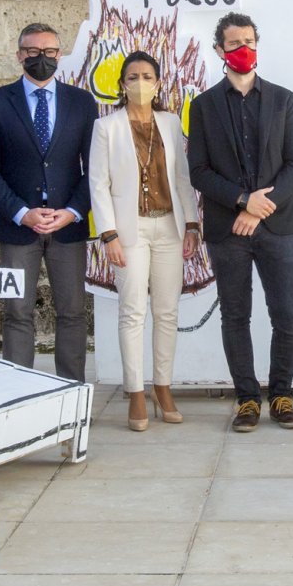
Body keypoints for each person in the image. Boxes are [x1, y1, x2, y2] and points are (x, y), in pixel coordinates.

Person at [187, 13, 293, 432]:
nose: (244, 49)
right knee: (235, 316)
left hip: (277, 227)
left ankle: (281, 395)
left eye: (250, 41)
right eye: (235, 43)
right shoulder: (202, 106)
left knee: (286, 314)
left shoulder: (283, 99)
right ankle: (246, 400)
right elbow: (198, 172)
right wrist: (242, 202)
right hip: (228, 229)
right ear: (219, 50)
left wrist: (260, 207)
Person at [0, 22, 97, 379]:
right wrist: (21, 212)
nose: (41, 58)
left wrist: (74, 211)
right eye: (32, 52)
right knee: (16, 312)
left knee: (73, 312)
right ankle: (19, 392)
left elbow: (95, 167)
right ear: (19, 56)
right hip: (18, 228)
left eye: (49, 52)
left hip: (67, 228)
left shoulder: (81, 101)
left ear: (60, 55)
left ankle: (72, 391)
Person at [91, 52, 200, 430]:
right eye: (133, 76)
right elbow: (99, 184)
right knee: (132, 311)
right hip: (129, 230)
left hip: (168, 228)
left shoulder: (170, 124)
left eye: (147, 76)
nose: (140, 83)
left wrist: (192, 224)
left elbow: (182, 177)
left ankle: (163, 388)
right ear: (122, 84)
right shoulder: (107, 128)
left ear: (158, 83)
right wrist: (109, 236)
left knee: (167, 311)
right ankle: (136, 393)